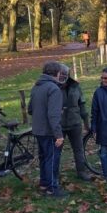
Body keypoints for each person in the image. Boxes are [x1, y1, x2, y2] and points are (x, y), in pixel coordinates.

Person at [28, 61, 68, 198]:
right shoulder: (54, 89)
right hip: (49, 131)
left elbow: (30, 109)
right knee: (52, 159)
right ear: (57, 73)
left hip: (37, 129)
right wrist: (59, 135)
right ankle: (52, 189)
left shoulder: (36, 87)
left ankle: (44, 184)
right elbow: (53, 115)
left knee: (44, 158)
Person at [60, 63, 93, 181]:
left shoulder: (75, 86)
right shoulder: (53, 87)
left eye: (65, 73)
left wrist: (86, 123)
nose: (63, 76)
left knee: (78, 149)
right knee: (56, 151)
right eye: (61, 73)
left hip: (75, 123)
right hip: (59, 125)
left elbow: (82, 104)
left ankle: (81, 171)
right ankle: (54, 175)